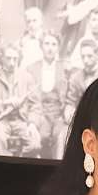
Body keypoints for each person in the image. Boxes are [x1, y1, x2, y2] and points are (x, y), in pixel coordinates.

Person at [0, 43, 43, 157]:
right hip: (1, 122)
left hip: (21, 121)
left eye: (15, 59)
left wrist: (32, 124)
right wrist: (6, 102)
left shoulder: (27, 77)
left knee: (35, 144)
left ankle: (18, 162)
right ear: (1, 58)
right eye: (8, 58)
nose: (12, 63)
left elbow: (35, 106)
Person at [27, 31, 70, 159]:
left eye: (53, 44)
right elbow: (30, 98)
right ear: (41, 46)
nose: (50, 48)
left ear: (58, 47)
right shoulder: (32, 68)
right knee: (41, 136)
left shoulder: (65, 68)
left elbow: (70, 94)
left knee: (59, 136)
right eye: (47, 44)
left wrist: (67, 111)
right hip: (40, 113)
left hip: (59, 114)